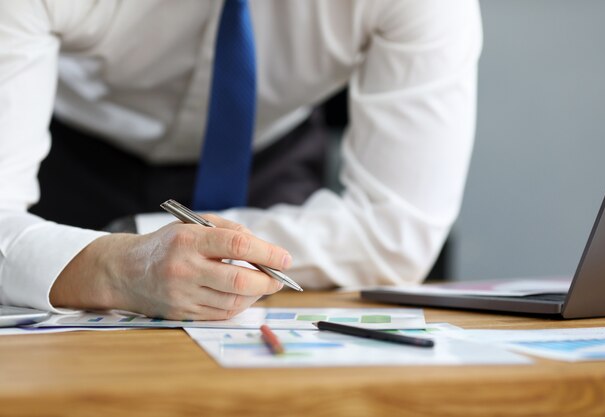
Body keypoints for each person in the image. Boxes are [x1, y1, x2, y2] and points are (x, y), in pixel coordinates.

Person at [0, 0, 482, 320]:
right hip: (66, 164)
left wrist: (141, 232)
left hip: (271, 171)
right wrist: (116, 264)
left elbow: (396, 231)